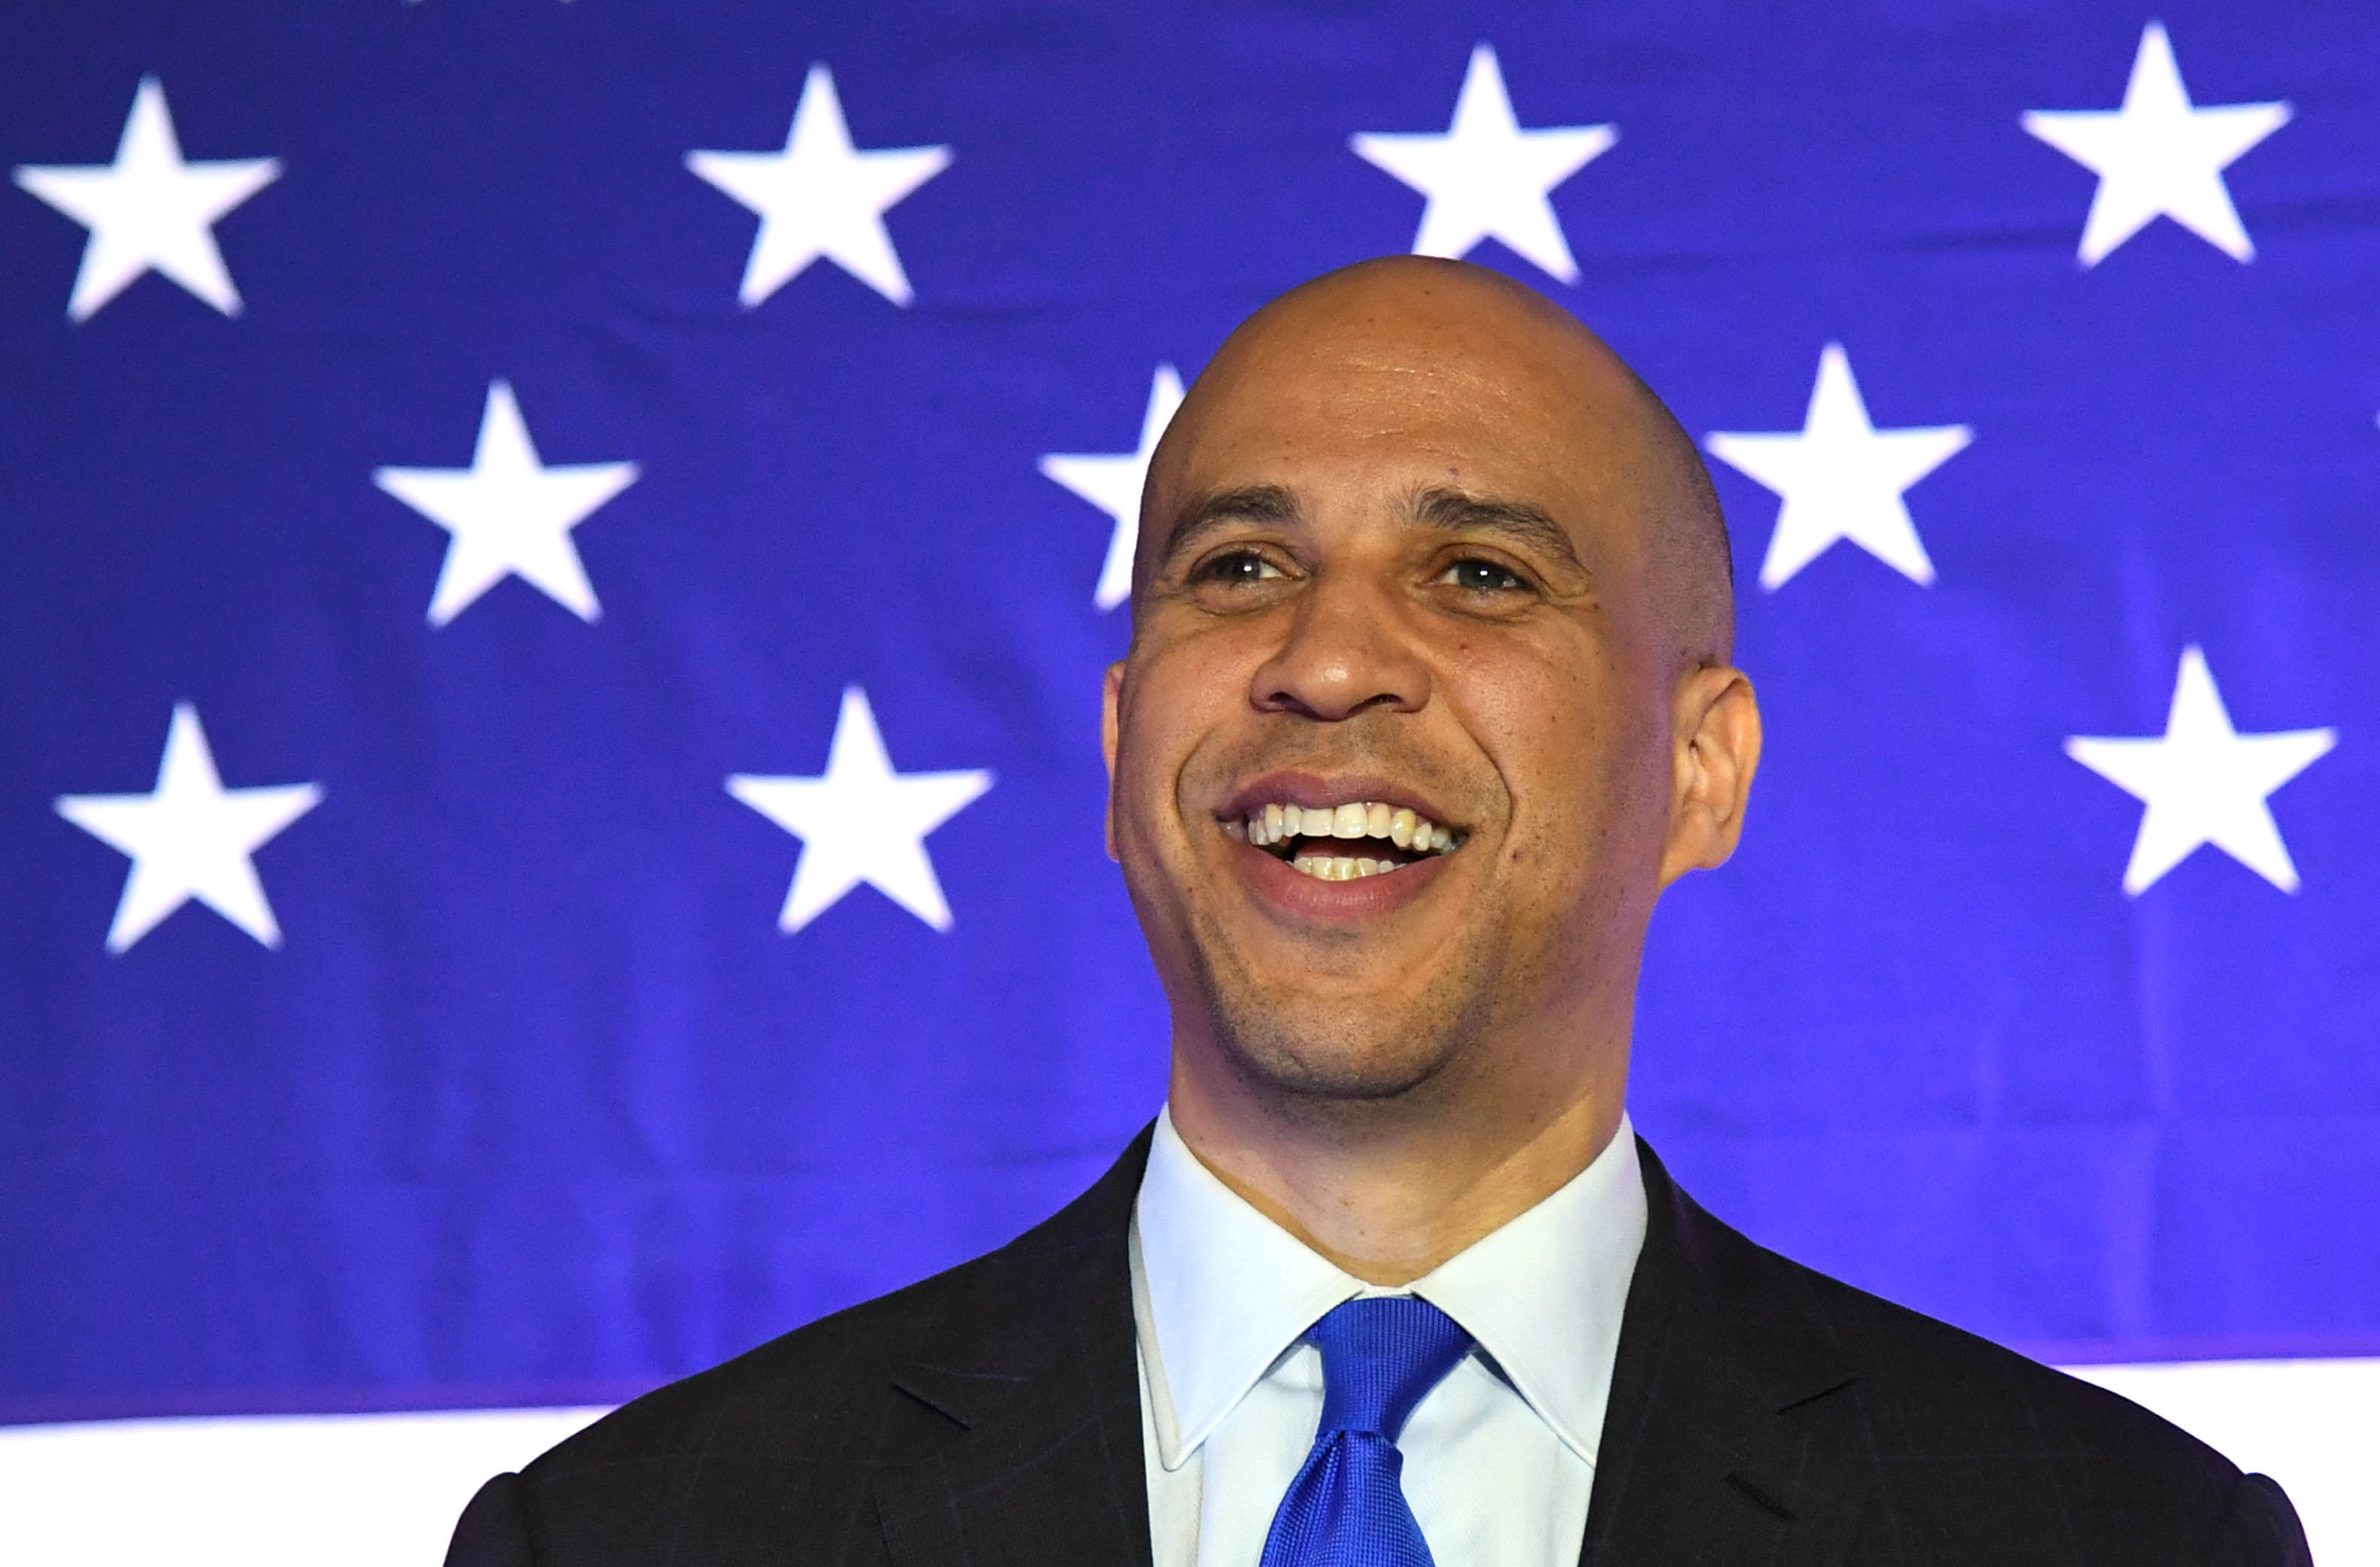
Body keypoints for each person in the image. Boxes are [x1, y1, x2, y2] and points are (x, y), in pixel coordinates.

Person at [444, 257, 2312, 1566]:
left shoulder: (2118, 1539)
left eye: (1479, 572)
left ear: (1703, 767)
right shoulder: (626, 1538)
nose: (1326, 658)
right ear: (1118, 744)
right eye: (1238, 563)